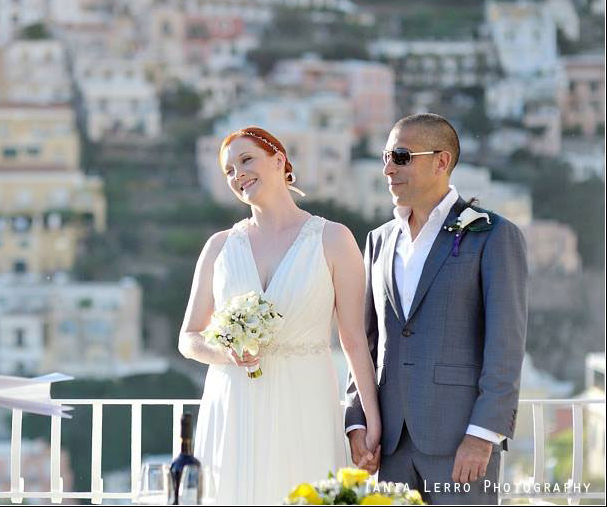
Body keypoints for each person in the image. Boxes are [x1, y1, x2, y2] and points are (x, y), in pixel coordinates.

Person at [178, 127, 381, 504]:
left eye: (246, 160)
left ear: (279, 161)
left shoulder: (334, 239)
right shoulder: (219, 247)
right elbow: (189, 338)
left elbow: (354, 340)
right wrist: (227, 354)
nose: (237, 174)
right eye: (228, 171)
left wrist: (372, 420)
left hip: (305, 401)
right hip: (233, 402)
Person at [344, 114, 528, 504]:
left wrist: (483, 434)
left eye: (401, 156)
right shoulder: (378, 240)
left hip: (461, 441)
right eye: (385, 156)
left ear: (441, 162)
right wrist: (357, 420)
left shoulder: (493, 234)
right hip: (390, 445)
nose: (387, 168)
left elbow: (506, 344)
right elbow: (364, 340)